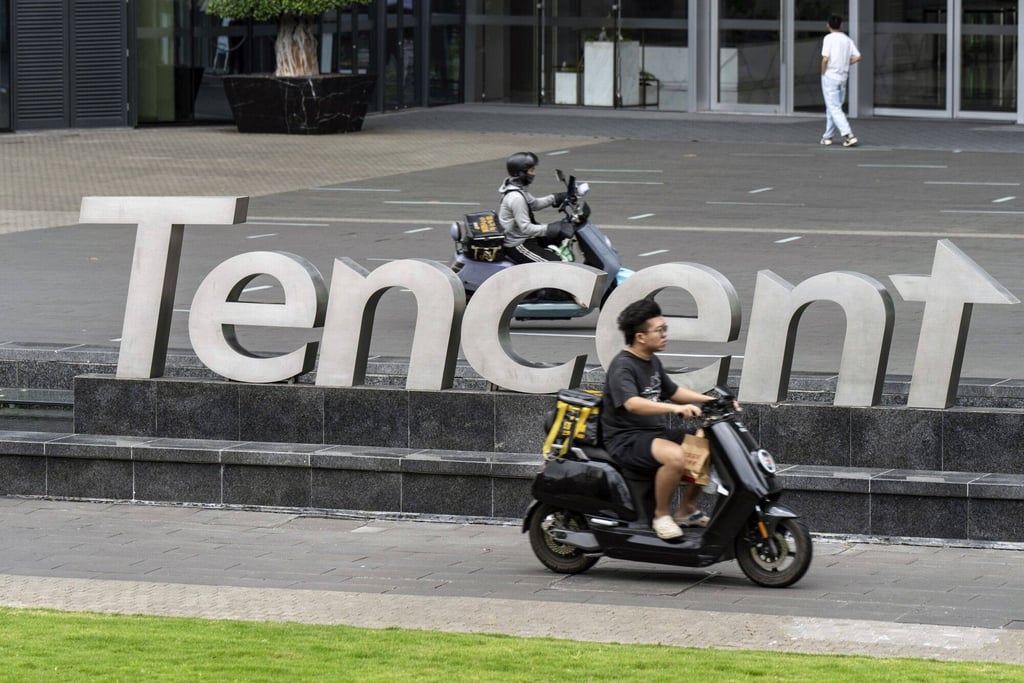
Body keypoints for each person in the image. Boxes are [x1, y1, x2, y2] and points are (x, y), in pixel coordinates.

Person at [600, 298, 719, 540]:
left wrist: (712, 401)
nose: (665, 335)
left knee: (707, 442)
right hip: (626, 439)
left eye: (666, 329)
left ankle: (686, 509)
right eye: (660, 330)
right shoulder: (623, 366)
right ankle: (661, 516)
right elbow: (632, 404)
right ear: (640, 337)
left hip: (652, 435)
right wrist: (673, 409)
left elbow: (674, 392)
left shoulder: (651, 361)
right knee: (676, 457)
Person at [498, 152, 571, 264]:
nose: (534, 174)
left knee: (559, 237)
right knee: (555, 264)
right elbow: (526, 228)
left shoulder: (518, 189)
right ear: (521, 173)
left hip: (526, 237)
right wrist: (550, 228)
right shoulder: (516, 198)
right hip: (519, 244)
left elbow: (534, 204)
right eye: (531, 170)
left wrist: (556, 197)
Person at [820, 14, 861, 148]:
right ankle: (827, 137)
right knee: (833, 107)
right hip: (843, 77)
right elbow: (858, 56)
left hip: (830, 76)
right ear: (841, 25)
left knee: (834, 108)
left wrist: (823, 71)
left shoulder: (828, 38)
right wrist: (846, 63)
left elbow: (825, 58)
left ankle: (848, 135)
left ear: (828, 25)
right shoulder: (847, 40)